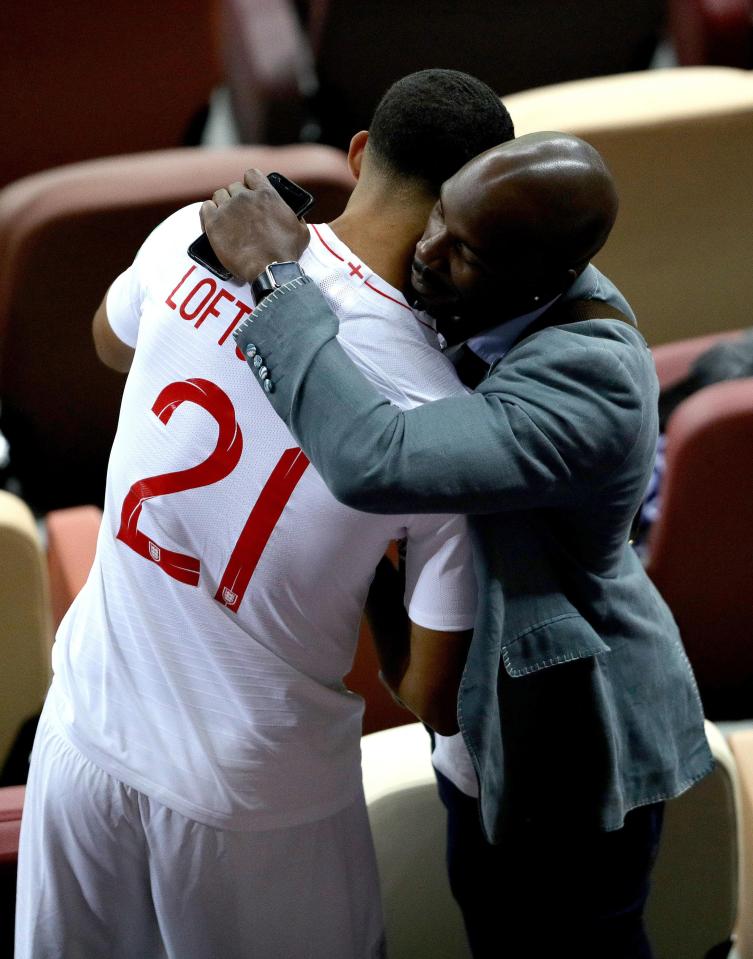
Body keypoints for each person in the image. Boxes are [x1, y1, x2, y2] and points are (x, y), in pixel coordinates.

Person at [15, 70, 515, 959]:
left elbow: (109, 340)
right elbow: (432, 694)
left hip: (82, 737)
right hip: (256, 798)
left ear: (359, 153)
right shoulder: (446, 420)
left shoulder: (190, 238)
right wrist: (363, 554)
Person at [200, 132, 714, 959]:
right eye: (438, 215)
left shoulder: (590, 385)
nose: (426, 253)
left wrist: (278, 278)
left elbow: (377, 462)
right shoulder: (503, 284)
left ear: (547, 274)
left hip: (570, 739)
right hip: (487, 742)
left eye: (465, 250)